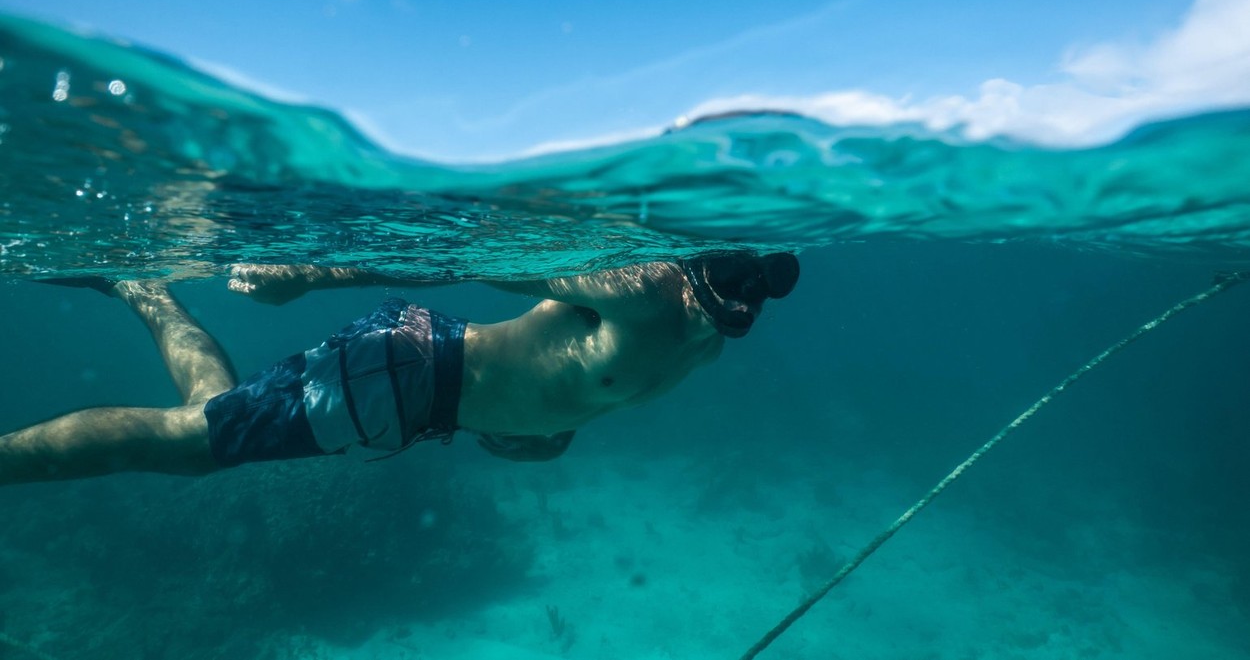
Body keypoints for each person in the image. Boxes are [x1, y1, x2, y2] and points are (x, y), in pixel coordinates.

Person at [0, 253, 798, 485]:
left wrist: (544, 428)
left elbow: (579, 378)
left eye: (758, 288)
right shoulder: (651, 290)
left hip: (422, 386)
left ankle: (146, 292)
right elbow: (474, 253)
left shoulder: (708, 333)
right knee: (189, 441)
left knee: (208, 423)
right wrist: (315, 272)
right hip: (409, 376)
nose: (739, 302)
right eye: (724, 284)